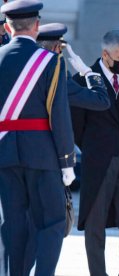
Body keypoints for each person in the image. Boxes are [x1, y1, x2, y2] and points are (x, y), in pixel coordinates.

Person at [22, 22, 111, 275]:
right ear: (58, 49)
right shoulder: (57, 73)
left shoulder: (11, 67)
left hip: (10, 159)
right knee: (52, 223)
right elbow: (101, 100)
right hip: (47, 161)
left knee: (21, 226)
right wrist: (84, 69)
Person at [0, 1, 75, 275]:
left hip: (4, 152)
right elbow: (59, 114)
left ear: (8, 27)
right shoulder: (50, 61)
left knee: (13, 224)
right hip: (42, 154)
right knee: (52, 222)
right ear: (36, 26)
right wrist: (67, 161)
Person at [70, 30, 119, 276]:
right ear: (105, 54)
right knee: (95, 224)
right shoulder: (82, 80)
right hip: (98, 161)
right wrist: (94, 147)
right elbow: (76, 126)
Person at [37, 22, 110, 111]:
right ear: (56, 47)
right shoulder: (55, 73)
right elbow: (101, 101)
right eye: (62, 47)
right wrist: (88, 72)